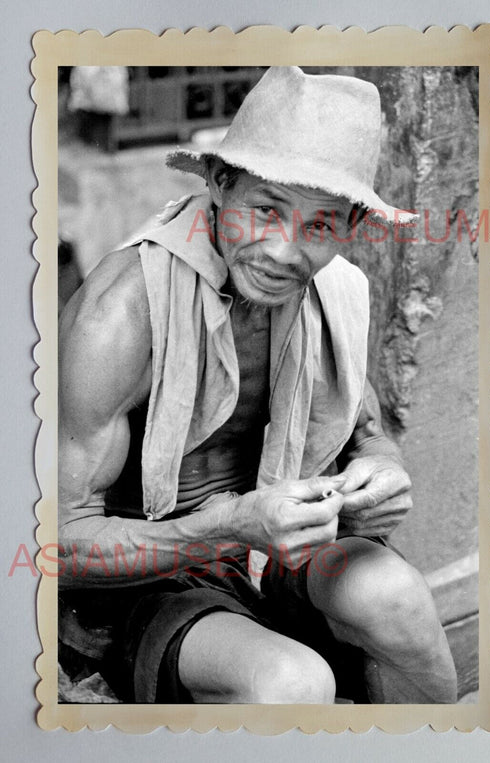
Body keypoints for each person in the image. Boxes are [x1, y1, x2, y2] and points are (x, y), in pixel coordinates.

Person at [58, 66, 457, 704]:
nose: (282, 251)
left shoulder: (336, 293)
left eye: (319, 226)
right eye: (265, 210)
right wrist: (230, 528)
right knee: (294, 685)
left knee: (401, 603)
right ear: (220, 183)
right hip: (149, 574)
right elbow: (55, 547)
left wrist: (382, 471)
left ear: (350, 226)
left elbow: (367, 431)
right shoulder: (124, 314)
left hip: (278, 546)